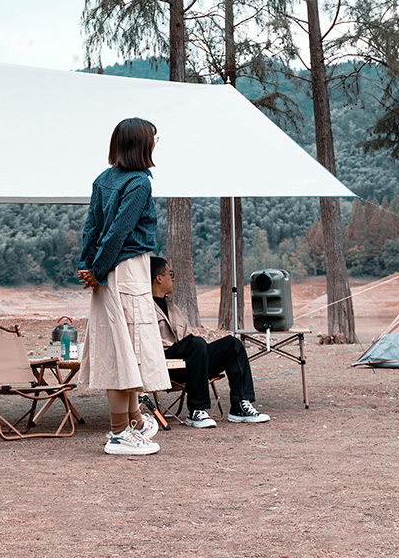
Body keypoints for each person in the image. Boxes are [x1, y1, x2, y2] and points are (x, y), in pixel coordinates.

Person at [77, 118, 171, 456]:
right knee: (124, 349)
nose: (156, 142)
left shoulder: (103, 179)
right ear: (142, 145)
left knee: (123, 348)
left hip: (107, 269)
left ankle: (133, 424)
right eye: (154, 138)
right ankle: (119, 434)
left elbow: (92, 227)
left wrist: (88, 267)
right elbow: (118, 231)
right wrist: (98, 269)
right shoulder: (139, 183)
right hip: (126, 269)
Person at [150, 255, 270, 428]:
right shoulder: (144, 308)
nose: (173, 279)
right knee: (196, 343)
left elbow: (186, 337)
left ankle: (240, 406)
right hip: (165, 363)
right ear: (159, 278)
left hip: (191, 362)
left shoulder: (171, 307)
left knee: (232, 344)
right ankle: (196, 411)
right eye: (171, 274)